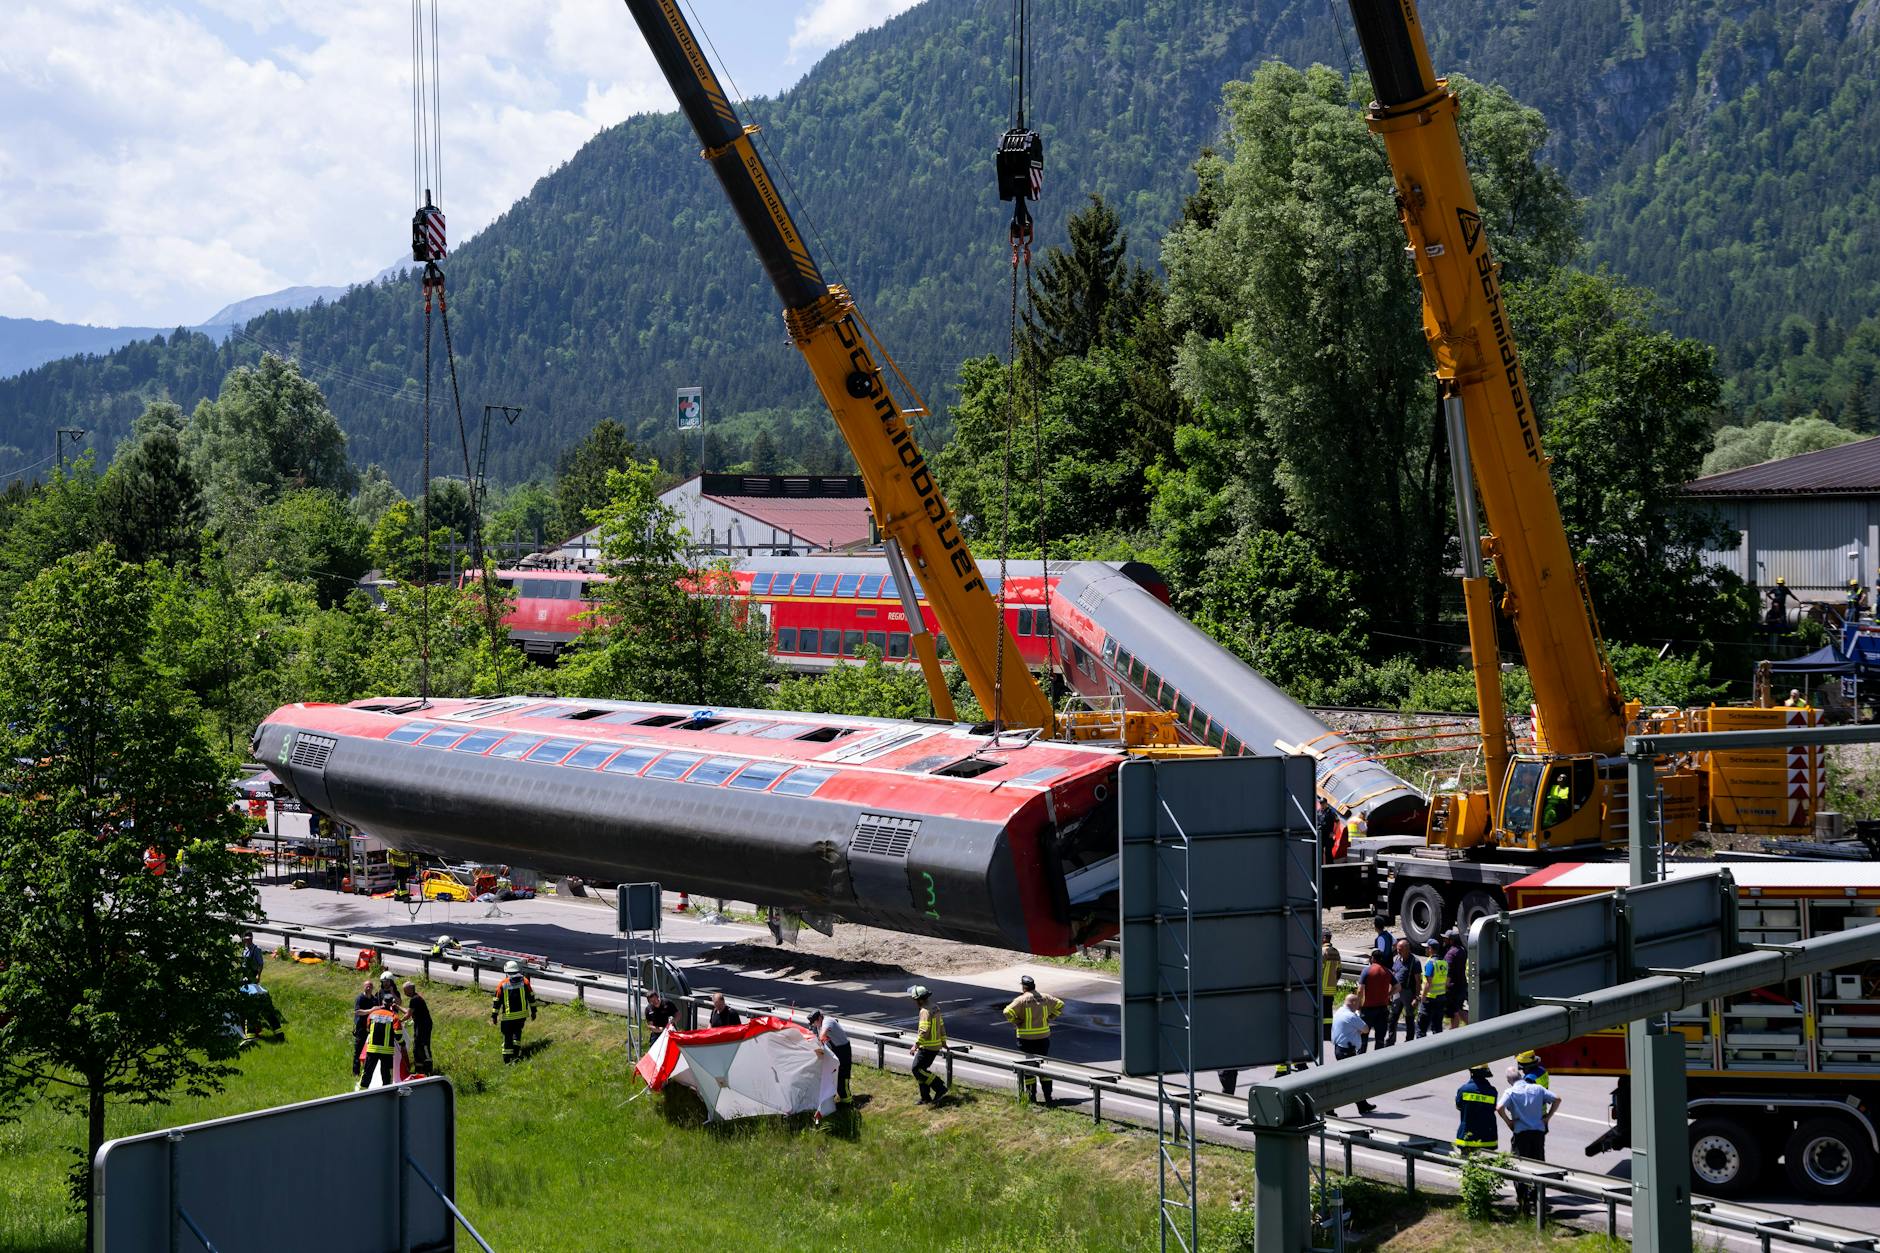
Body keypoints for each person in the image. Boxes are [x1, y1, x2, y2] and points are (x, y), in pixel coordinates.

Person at [1498, 1064, 1563, 1215]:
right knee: (1538, 1166)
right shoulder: (1538, 1089)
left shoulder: (1511, 1091)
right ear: (1521, 1076)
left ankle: (1523, 1201)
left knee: (1519, 1167)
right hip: (1538, 1134)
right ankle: (1537, 1199)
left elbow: (1499, 1107)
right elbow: (1557, 1099)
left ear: (1509, 1080)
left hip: (1521, 1134)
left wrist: (1509, 1122)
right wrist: (1547, 1118)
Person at [1002, 973, 1065, 1104]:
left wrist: (1017, 1021)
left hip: (1026, 1038)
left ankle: (1032, 1097)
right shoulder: (1045, 997)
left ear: (1024, 987)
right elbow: (1060, 1004)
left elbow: (1007, 1012)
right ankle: (1048, 1097)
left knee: (1029, 1067)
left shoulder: (1022, 1000)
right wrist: (1052, 1017)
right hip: (1043, 1037)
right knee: (1042, 1066)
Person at [1329, 993, 1377, 1115]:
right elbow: (1366, 1029)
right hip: (1347, 1052)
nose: (1359, 1005)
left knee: (1353, 1080)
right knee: (1345, 1082)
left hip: (1340, 1049)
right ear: (1354, 1003)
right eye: (1358, 1003)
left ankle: (1362, 1105)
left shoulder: (1339, 1011)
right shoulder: (1351, 1016)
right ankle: (1328, 1107)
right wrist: (1358, 1029)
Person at [490, 959, 536, 1063]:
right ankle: (516, 1055)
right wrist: (534, 1012)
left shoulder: (502, 984)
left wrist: (494, 1016)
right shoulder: (525, 982)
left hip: (508, 1017)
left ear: (506, 971)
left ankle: (507, 1060)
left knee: (507, 1037)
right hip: (521, 1016)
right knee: (517, 1035)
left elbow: (497, 1001)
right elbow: (531, 998)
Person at [909, 985, 949, 1105]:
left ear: (920, 999)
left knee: (916, 1069)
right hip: (935, 1046)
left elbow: (924, 1030)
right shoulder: (935, 1008)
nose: (915, 1002)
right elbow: (941, 1025)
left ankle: (939, 1087)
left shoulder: (924, 1011)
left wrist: (916, 1045)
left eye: (915, 1000)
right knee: (922, 1070)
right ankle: (925, 1097)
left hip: (927, 1047)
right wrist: (943, 1042)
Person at [358, 992, 403, 1090]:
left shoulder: (373, 1014)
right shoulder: (394, 1016)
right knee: (386, 1075)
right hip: (386, 1051)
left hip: (372, 1049)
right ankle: (387, 1094)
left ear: (382, 1002)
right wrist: (401, 1043)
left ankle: (361, 1092)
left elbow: (368, 1029)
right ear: (392, 1003)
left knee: (367, 1072)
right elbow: (398, 1035)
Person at [809, 1010, 853, 1103]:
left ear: (819, 1018)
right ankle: (834, 1098)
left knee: (842, 1076)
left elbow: (821, 1036)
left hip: (843, 1050)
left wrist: (820, 1040)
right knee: (832, 1075)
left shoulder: (827, 1022)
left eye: (814, 1022)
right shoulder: (818, 1025)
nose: (814, 1025)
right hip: (834, 1050)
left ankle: (847, 1102)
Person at [1454, 1064, 1499, 1155]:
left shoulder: (1464, 1090)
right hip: (1488, 1138)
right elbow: (1492, 1108)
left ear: (1471, 1073)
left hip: (1467, 1137)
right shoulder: (1492, 1091)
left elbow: (1459, 1107)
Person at [1387, 938, 1421, 1045]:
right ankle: (1391, 1040)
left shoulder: (1415, 962)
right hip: (1396, 993)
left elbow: (1417, 981)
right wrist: (1389, 993)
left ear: (1407, 949)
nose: (1398, 951)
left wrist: (1416, 997)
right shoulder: (1397, 959)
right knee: (1393, 1017)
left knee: (1409, 1018)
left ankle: (1409, 1041)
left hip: (1408, 993)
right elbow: (1392, 976)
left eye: (1400, 949)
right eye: (1397, 949)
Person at [1358, 950, 1393, 1048]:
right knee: (1380, 1038)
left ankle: (1362, 1059)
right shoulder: (1387, 971)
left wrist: (1359, 1004)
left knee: (1363, 1037)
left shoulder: (1367, 970)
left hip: (1368, 1009)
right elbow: (1398, 986)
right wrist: (1388, 994)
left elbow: (1360, 990)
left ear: (1372, 958)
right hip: (1382, 1008)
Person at [1417, 942, 1448, 1038]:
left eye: (1427, 948)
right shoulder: (1444, 962)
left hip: (1429, 999)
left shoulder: (1431, 963)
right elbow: (1446, 981)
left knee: (1421, 1028)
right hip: (1441, 997)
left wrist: (1423, 997)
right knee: (1437, 1027)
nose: (1425, 950)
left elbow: (1428, 983)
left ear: (1430, 949)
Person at [403, 981, 433, 1074]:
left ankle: (428, 1068)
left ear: (411, 989)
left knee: (424, 1046)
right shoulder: (415, 998)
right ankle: (419, 1069)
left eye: (405, 990)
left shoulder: (415, 999)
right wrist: (397, 1006)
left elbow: (408, 1015)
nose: (404, 993)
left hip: (423, 1026)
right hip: (419, 1025)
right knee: (416, 1047)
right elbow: (408, 1011)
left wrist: (399, 1021)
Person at [1444, 930, 1470, 1029]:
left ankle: (1453, 1034)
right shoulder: (1462, 950)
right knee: (1459, 1009)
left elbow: (1448, 973)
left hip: (1453, 988)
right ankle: (1473, 1026)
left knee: (1454, 1012)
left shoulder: (1450, 954)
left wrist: (1445, 987)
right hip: (1462, 985)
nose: (1444, 940)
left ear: (1451, 940)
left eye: (1446, 939)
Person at [351, 978, 377, 1076]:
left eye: (370, 985)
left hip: (371, 1028)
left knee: (370, 1050)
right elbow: (357, 1011)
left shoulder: (374, 999)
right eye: (367, 985)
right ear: (364, 987)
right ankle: (355, 1072)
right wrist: (371, 1010)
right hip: (361, 1028)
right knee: (358, 1049)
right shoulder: (360, 998)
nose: (369, 987)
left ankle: (368, 1071)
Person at [1320, 928, 1341, 1042]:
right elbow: (1339, 971)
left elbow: (1317, 971)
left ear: (1324, 938)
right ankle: (1327, 1035)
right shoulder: (1336, 952)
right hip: (1331, 988)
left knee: (1321, 1013)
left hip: (1321, 989)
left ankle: (1321, 1035)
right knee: (1328, 1014)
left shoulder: (1322, 952)